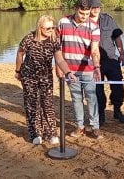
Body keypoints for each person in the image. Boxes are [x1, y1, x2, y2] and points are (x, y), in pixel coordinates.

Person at [15, 15, 77, 145]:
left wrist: (68, 72)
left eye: (53, 27)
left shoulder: (54, 39)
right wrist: (18, 71)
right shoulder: (29, 39)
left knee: (47, 104)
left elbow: (59, 59)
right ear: (40, 27)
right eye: (48, 28)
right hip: (29, 76)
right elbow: (20, 53)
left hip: (45, 76)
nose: (51, 30)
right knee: (32, 105)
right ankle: (35, 133)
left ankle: (50, 133)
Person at [56, 0, 103, 139]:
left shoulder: (94, 26)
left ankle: (95, 127)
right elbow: (57, 47)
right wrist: (58, 67)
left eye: (88, 14)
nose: (85, 17)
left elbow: (95, 51)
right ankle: (80, 126)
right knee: (76, 98)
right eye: (82, 14)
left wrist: (96, 67)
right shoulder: (63, 22)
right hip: (69, 70)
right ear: (76, 9)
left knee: (91, 97)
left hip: (88, 70)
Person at [86, 0, 124, 125]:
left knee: (118, 87)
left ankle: (117, 111)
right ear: (89, 8)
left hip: (111, 59)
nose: (96, 9)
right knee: (98, 90)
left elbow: (117, 37)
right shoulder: (84, 21)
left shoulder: (108, 20)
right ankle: (101, 115)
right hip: (94, 62)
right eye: (93, 7)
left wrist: (122, 54)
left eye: (98, 7)